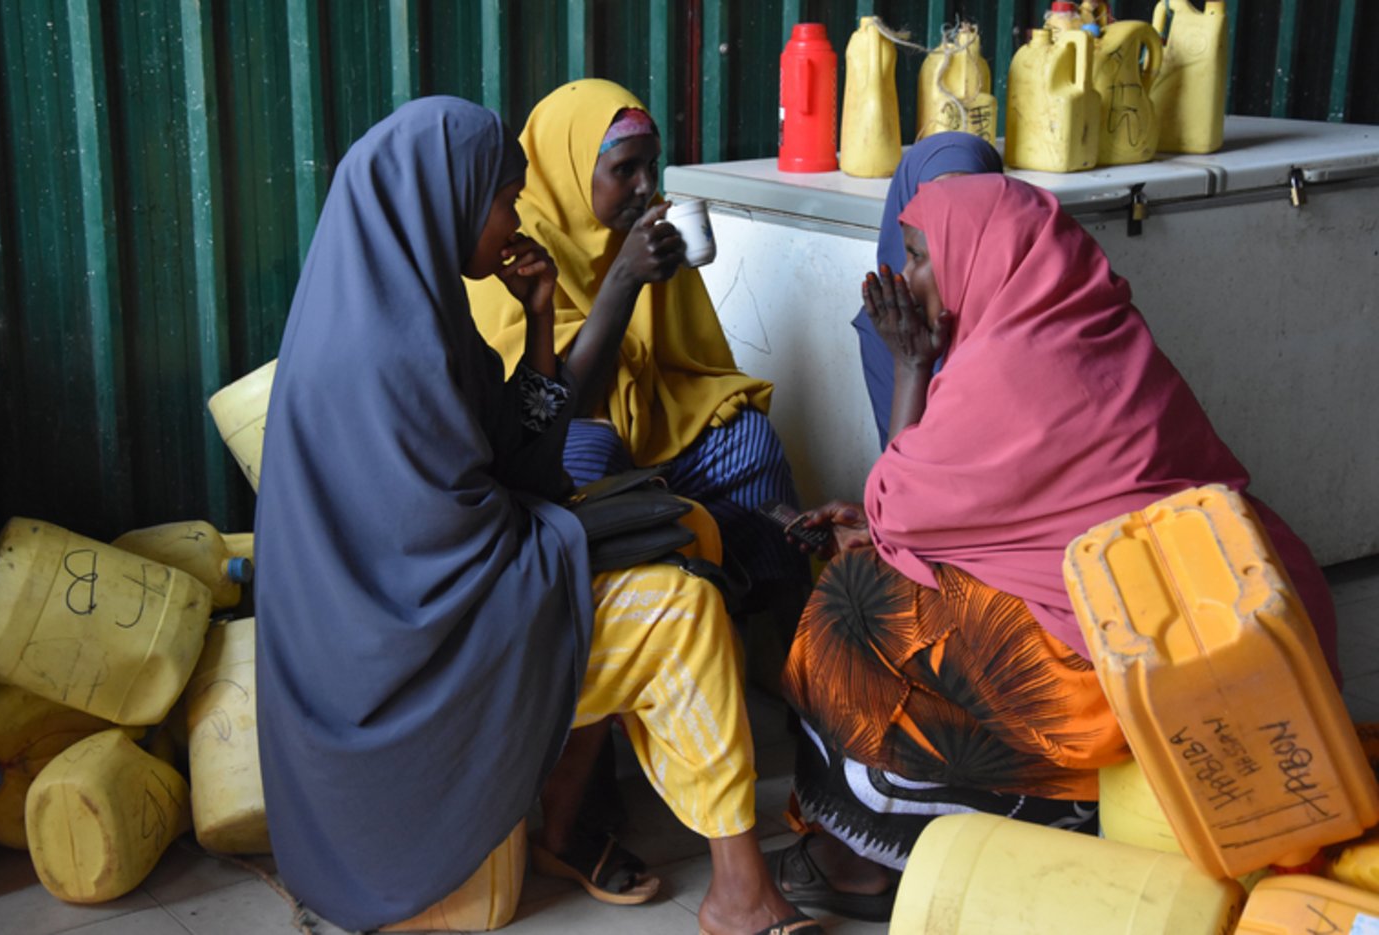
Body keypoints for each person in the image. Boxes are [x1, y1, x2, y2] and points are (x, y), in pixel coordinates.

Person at [253, 97, 820, 935]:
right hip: (403, 672)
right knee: (680, 604)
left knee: (669, 540)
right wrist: (583, 536)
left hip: (426, 627)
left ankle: (575, 815)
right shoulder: (384, 357)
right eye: (502, 198)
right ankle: (739, 892)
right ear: (439, 200)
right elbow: (458, 541)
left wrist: (540, 323)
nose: (516, 217)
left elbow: (515, 465)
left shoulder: (405, 309)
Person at [764, 174, 1341, 922]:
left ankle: (876, 851)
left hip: (1119, 696)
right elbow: (1004, 523)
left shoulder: (1004, 371)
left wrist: (911, 366)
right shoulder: (1097, 331)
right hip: (1233, 641)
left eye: (919, 258)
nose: (906, 282)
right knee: (903, 576)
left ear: (981, 259)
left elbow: (896, 515)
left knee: (851, 601)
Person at [465, 78, 809, 636]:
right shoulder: (511, 243)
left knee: (749, 442)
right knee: (590, 458)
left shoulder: (646, 225)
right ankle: (624, 647)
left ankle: (797, 658)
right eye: (624, 169)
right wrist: (624, 278)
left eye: (651, 167)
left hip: (653, 419)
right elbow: (558, 409)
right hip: (565, 432)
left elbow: (688, 369)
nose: (644, 186)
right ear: (570, 167)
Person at [849, 132, 1002, 450]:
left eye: (967, 203)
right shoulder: (890, 326)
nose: (948, 218)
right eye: (934, 198)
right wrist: (910, 365)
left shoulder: (1024, 312)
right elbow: (903, 484)